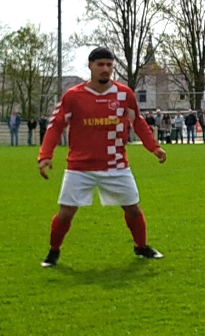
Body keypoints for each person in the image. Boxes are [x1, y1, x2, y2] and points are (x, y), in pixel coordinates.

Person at [36, 47, 166, 268]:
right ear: (90, 66)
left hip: (116, 164)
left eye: (109, 65)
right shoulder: (73, 96)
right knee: (66, 213)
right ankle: (53, 252)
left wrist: (153, 147)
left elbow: (137, 122)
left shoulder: (124, 94)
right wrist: (45, 156)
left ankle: (141, 246)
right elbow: (56, 125)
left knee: (133, 209)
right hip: (79, 167)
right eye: (100, 65)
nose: (105, 69)